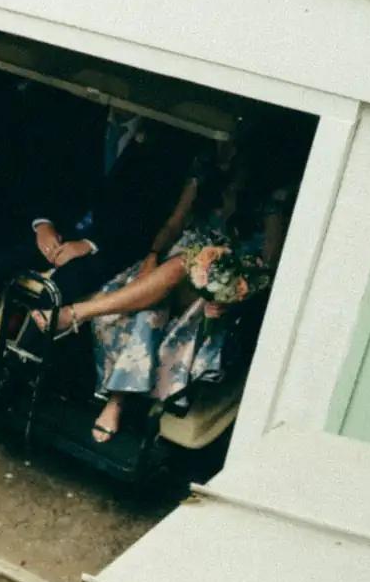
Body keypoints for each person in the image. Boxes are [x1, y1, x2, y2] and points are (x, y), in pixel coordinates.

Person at [38, 140, 291, 442]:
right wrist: (152, 255)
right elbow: (173, 224)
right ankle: (117, 401)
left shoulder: (268, 205)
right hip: (168, 271)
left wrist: (231, 295)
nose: (224, 152)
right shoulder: (205, 177)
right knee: (150, 311)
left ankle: (74, 314)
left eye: (233, 149)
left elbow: (266, 269)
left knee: (182, 265)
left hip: (210, 289)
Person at [0, 107, 198, 375]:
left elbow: (144, 217)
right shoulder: (80, 118)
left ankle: (16, 372)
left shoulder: (160, 143)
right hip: (59, 230)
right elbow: (45, 176)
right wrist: (43, 224)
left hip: (106, 246)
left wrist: (89, 244)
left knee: (59, 288)